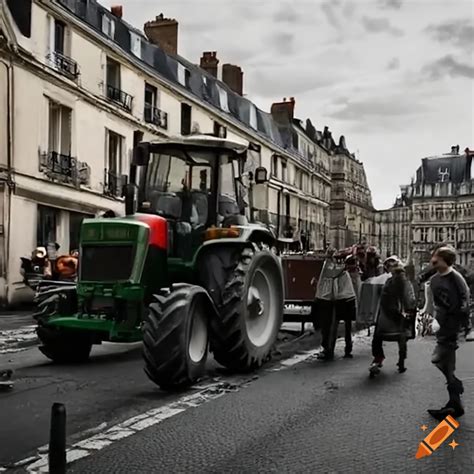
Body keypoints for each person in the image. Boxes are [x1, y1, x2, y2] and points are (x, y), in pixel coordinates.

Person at [426, 246, 471, 420]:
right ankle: (454, 401)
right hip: (442, 326)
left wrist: (463, 326)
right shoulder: (435, 279)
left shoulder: (456, 278)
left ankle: (454, 392)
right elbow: (434, 304)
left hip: (453, 327)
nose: (432, 259)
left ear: (444, 259)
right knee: (444, 362)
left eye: (436, 256)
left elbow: (464, 302)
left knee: (438, 358)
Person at [369, 256, 416, 376]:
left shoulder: (389, 281)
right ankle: (401, 362)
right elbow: (409, 299)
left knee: (378, 336)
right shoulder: (403, 281)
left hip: (386, 317)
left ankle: (378, 359)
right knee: (402, 337)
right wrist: (408, 313)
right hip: (396, 317)